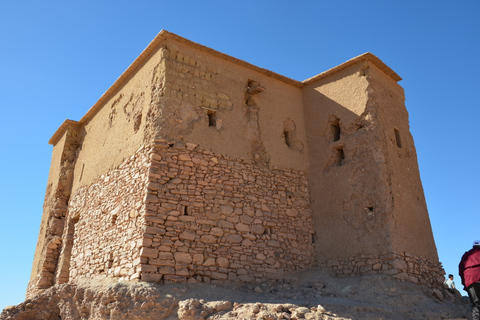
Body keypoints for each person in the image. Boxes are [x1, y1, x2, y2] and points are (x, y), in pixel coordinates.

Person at [459, 240, 480, 320]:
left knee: (475, 303)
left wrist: (465, 283)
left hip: (470, 279)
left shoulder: (467, 255)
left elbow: (461, 269)